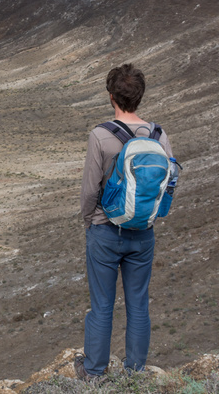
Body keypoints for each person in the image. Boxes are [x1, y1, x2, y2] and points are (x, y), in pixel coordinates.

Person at [76, 63, 173, 380]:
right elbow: (167, 185)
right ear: (139, 97)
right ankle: (136, 373)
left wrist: (89, 221)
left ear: (111, 97)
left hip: (105, 231)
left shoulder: (101, 135)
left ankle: (94, 373)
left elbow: (90, 189)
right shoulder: (158, 136)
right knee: (139, 306)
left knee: (102, 306)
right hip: (143, 234)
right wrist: (151, 216)